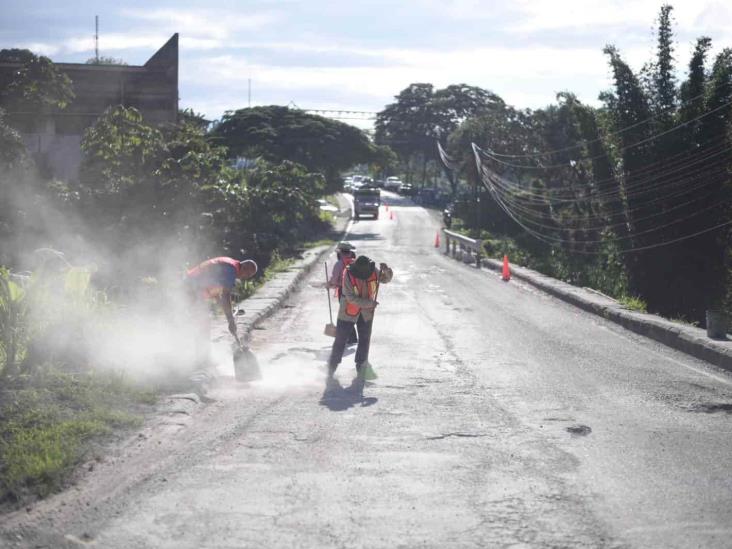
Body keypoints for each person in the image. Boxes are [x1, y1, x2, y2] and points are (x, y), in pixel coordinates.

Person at [328, 255, 393, 379]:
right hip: (347, 311)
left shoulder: (372, 270)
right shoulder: (348, 273)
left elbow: (385, 279)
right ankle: (332, 367)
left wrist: (387, 271)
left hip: (366, 313)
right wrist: (370, 303)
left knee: (364, 340)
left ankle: (360, 366)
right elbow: (350, 297)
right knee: (340, 340)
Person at [185, 257, 258, 366]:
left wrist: (228, 311)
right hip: (191, 289)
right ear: (245, 268)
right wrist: (230, 320)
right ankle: (201, 361)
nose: (244, 278)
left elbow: (217, 294)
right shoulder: (231, 269)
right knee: (203, 322)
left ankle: (203, 358)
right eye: (247, 275)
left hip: (191, 286)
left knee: (202, 322)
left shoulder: (229, 264)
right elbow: (225, 295)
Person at [328, 242, 358, 344]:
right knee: (353, 313)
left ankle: (350, 337)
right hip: (357, 292)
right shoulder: (356, 263)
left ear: (340, 253)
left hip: (344, 292)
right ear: (350, 252)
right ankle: (352, 337)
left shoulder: (339, 264)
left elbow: (334, 280)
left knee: (345, 314)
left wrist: (330, 284)